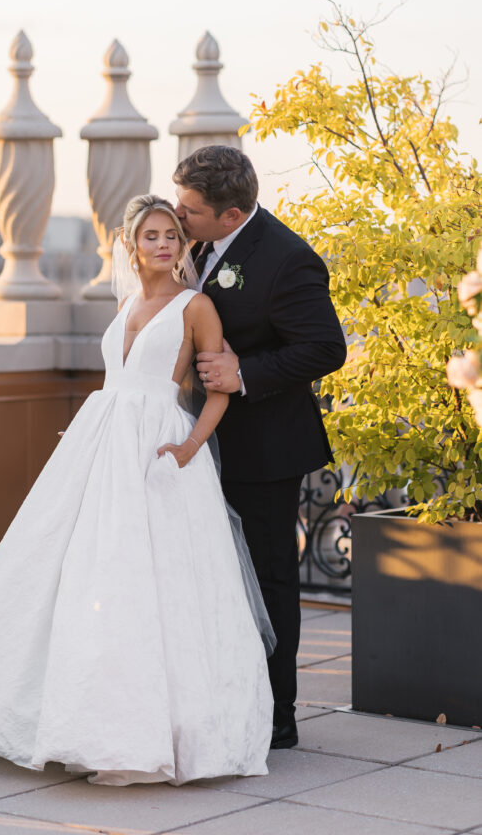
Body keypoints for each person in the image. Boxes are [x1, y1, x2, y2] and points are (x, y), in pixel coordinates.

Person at [0, 194, 275, 786]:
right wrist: (90, 431)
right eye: (152, 236)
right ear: (132, 245)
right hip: (101, 444)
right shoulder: (128, 299)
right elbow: (117, 385)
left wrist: (188, 449)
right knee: (81, 574)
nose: (164, 244)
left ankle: (158, 730)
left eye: (171, 236)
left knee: (154, 584)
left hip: (160, 451)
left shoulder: (196, 305)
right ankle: (71, 715)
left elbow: (218, 389)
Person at [173, 146, 347, 750]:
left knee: (267, 577)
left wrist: (243, 371)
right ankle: (217, 696)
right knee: (208, 574)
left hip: (263, 449)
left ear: (232, 215)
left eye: (190, 209)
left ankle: (277, 714)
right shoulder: (194, 243)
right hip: (199, 443)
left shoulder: (288, 259)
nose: (178, 215)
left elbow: (326, 348)